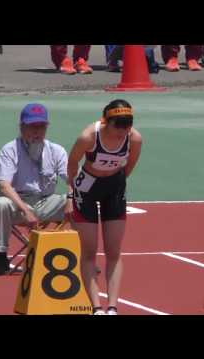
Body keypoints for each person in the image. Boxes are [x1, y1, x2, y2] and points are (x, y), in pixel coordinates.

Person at [67, 99, 143, 315]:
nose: (121, 132)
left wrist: (115, 183)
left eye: (126, 127)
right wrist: (71, 193)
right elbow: (72, 164)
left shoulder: (134, 139)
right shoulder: (89, 137)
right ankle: (96, 308)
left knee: (114, 251)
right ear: (105, 121)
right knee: (90, 250)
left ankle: (112, 307)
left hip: (114, 188)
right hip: (87, 189)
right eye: (117, 126)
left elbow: (130, 165)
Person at [0, 103, 72, 276]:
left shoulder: (56, 150)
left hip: (46, 201)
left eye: (41, 127)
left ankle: (79, 255)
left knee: (83, 203)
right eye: (32, 127)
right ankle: (1, 257)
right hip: (18, 202)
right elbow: (4, 185)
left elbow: (72, 179)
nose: (37, 132)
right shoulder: (10, 150)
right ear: (22, 127)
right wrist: (25, 210)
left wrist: (71, 199)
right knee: (0, 203)